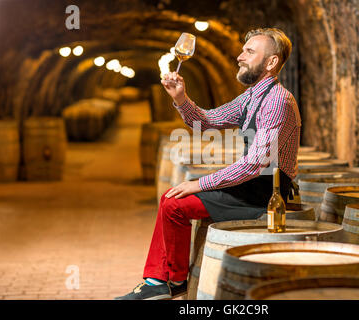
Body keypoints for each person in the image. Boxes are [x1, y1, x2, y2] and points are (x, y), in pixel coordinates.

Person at [115, 27, 301, 300]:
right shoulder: (253, 96)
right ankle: (158, 280)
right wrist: (181, 98)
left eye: (249, 51)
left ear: (271, 62)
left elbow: (254, 164)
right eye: (243, 50)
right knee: (171, 198)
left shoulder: (277, 101)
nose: (239, 56)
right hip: (253, 185)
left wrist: (199, 183)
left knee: (175, 202)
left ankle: (170, 282)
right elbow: (206, 122)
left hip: (266, 192)